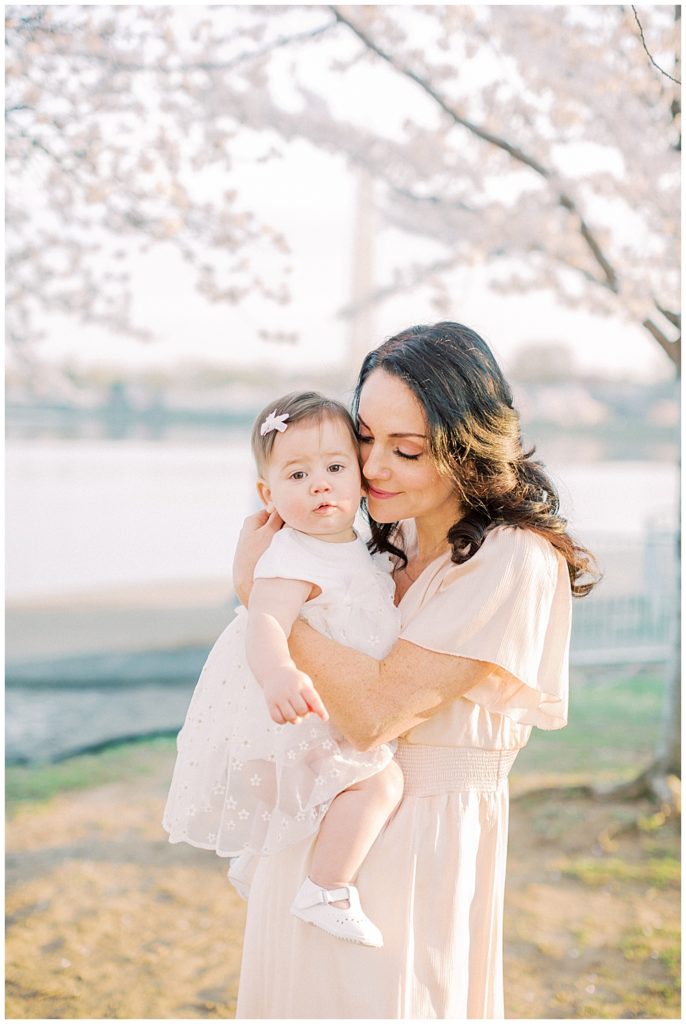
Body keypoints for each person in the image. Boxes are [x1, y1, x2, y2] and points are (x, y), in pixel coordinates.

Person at [232, 322, 599, 1019]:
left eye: (406, 449)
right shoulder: (378, 543)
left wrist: (265, 601)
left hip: (422, 846)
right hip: (322, 834)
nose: (371, 468)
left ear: (468, 448)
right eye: (364, 437)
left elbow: (375, 713)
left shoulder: (511, 561)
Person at [163, 391, 404, 948]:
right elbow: (263, 622)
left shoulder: (360, 546)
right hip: (292, 713)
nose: (320, 484)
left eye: (335, 467)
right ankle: (327, 888)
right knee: (379, 781)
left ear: (362, 477)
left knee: (335, 791)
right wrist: (278, 675)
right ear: (268, 495)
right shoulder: (291, 557)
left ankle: (259, 858)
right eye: (297, 475)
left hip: (328, 705)